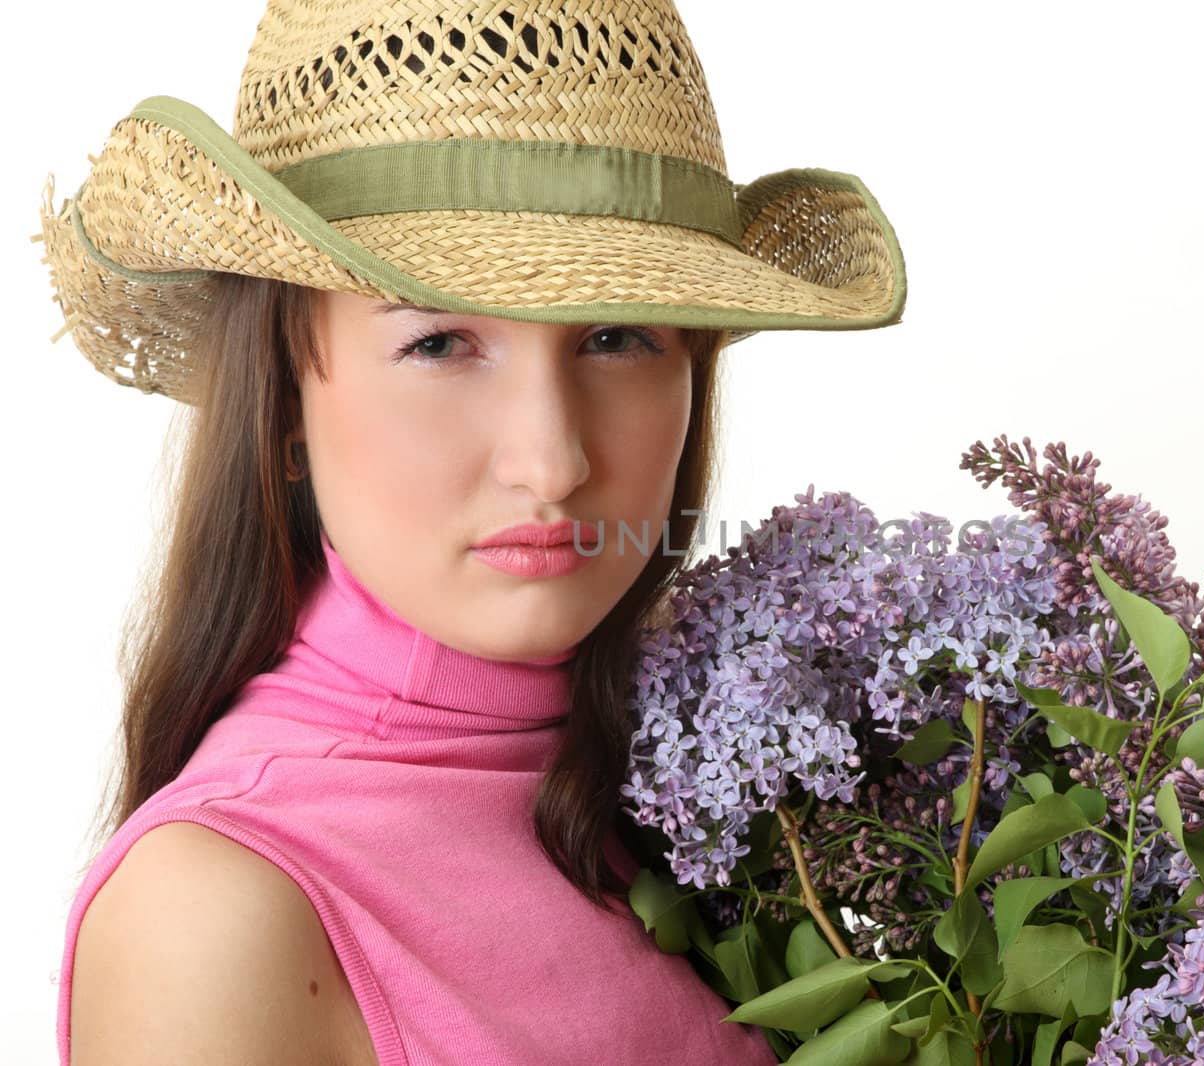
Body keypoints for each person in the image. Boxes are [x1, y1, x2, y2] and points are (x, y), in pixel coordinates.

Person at [33, 1, 907, 1062]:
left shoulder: (756, 782)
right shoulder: (220, 915)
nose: (552, 461)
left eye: (617, 335)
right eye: (442, 342)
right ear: (282, 406)